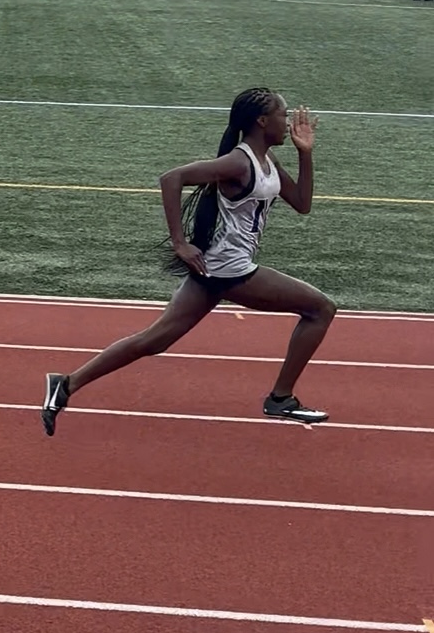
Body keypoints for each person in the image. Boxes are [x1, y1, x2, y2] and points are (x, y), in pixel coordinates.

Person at [39, 88, 335, 436]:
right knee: (320, 309)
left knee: (155, 340)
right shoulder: (239, 162)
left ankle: (67, 383)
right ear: (261, 121)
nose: (288, 124)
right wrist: (180, 243)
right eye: (283, 116)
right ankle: (281, 397)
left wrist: (306, 154)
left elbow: (302, 203)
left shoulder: (268, 163)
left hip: (212, 268)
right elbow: (172, 178)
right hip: (229, 268)